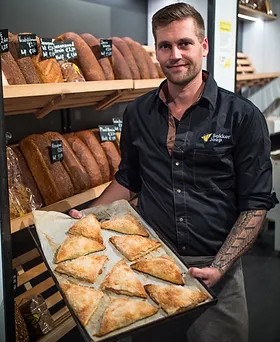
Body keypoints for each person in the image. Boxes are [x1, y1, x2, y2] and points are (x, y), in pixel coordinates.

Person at [70, 3, 278, 342]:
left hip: (216, 275)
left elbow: (255, 204)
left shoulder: (241, 116)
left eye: (184, 44)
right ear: (156, 51)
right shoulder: (137, 113)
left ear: (204, 46)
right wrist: (86, 215)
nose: (175, 55)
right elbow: (129, 179)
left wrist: (220, 266)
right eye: (165, 46)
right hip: (149, 264)